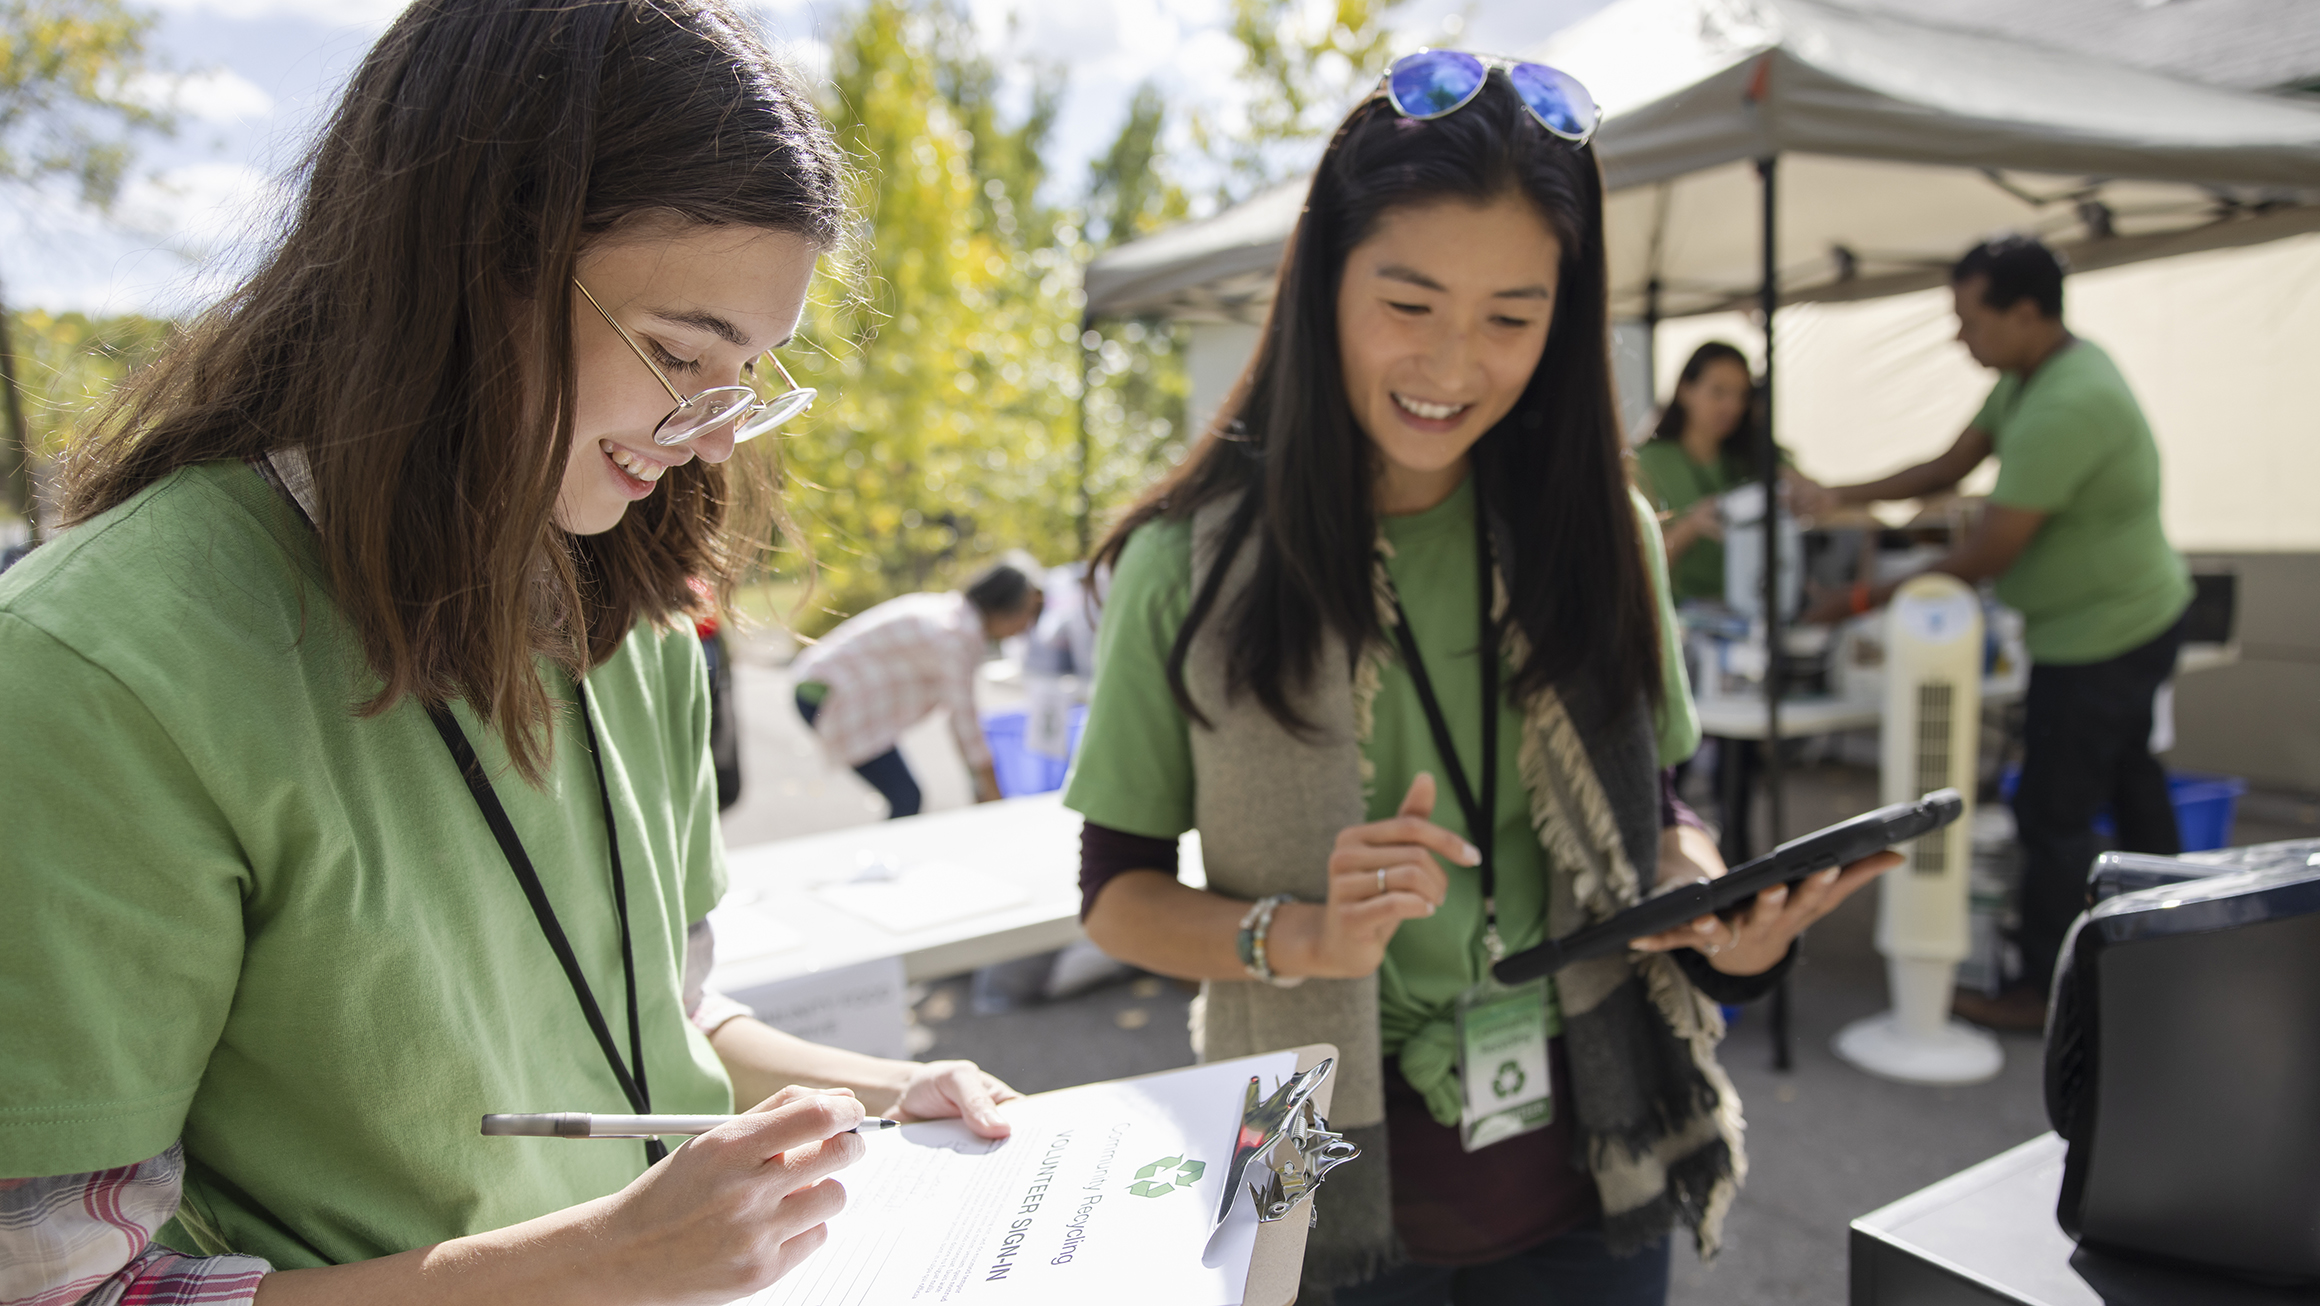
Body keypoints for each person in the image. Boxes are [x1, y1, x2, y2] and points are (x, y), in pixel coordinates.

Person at [0, 3, 1017, 1303]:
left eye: (751, 369)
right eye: (678, 353)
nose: (712, 438)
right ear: (471, 263)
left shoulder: (625, 603)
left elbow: (665, 1013)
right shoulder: (98, 676)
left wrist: (881, 1089)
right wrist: (593, 1262)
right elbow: (65, 1286)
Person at [1063, 51, 1898, 1306]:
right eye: (1409, 304)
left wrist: (1707, 905)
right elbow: (1113, 894)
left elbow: (1654, 807)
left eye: (1512, 317)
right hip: (1294, 1143)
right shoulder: (1188, 563)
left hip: (1594, 1143)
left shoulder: (1604, 528)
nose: (1454, 365)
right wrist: (1300, 934)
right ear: (1323, 282)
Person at [1797, 235, 2193, 1032]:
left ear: (2023, 312)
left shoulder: (2066, 403)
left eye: (1967, 318)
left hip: (2104, 632)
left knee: (2055, 811)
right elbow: (1948, 468)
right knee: (2127, 784)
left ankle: (2042, 986)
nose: (1957, 336)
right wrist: (1837, 492)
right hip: (2110, 620)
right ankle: (2177, 950)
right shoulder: (2029, 377)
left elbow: (1986, 552)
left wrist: (1856, 599)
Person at [789, 555, 1043, 816]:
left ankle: (892, 851)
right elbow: (965, 724)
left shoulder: (954, 614)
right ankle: (889, 855)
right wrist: (993, 796)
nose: (1026, 627)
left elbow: (964, 732)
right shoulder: (956, 635)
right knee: (906, 796)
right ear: (1006, 607)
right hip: (826, 693)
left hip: (824, 683)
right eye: (1028, 614)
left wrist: (982, 789)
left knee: (905, 795)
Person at [1631, 341, 1759, 604]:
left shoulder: (1753, 458)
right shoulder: (1647, 463)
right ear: (1685, 390)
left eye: (1741, 396)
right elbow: (1633, 567)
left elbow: (1821, 495)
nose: (1732, 406)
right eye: (1718, 392)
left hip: (1747, 607)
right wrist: (1691, 527)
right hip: (1680, 618)